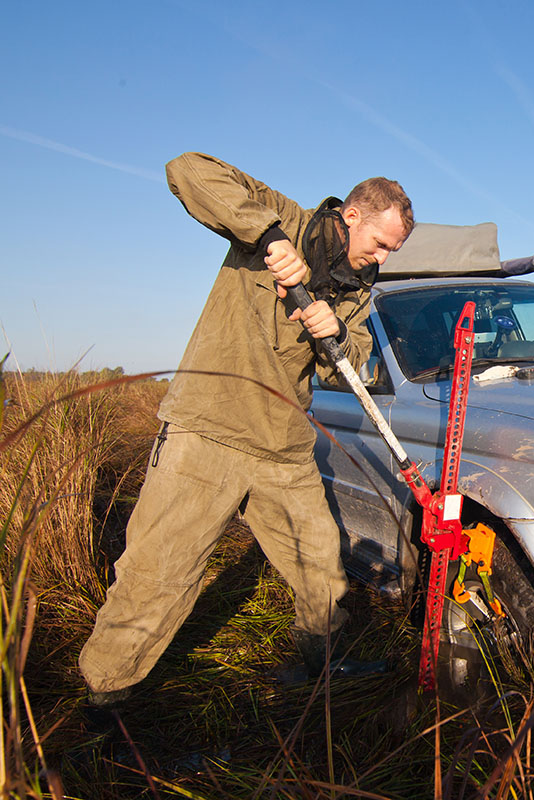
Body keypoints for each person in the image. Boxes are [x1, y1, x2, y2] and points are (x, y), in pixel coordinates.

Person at [79, 152, 414, 706]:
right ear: (352, 215)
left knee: (320, 570)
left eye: (391, 251)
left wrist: (336, 333)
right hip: (207, 432)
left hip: (283, 449)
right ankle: (103, 703)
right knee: (157, 575)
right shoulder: (279, 216)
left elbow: (352, 361)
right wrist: (269, 238)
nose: (381, 257)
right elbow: (185, 168)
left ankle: (323, 665)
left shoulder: (357, 290)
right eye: (379, 242)